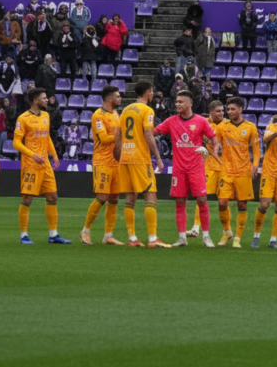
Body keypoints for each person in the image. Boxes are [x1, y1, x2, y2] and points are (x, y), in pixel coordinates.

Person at [155, 90, 219, 248]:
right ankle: (182, 238)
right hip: (179, 169)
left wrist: (212, 151)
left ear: (190, 103)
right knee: (180, 202)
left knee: (202, 200)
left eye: (181, 101)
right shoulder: (171, 121)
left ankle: (206, 237)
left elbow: (214, 140)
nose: (177, 104)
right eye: (176, 101)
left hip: (196, 168)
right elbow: (154, 131)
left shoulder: (201, 121)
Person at [115, 81, 168, 248]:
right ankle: (152, 239)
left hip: (125, 157)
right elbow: (148, 133)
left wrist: (119, 154)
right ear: (148, 92)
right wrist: (158, 157)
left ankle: (132, 238)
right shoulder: (147, 110)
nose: (152, 95)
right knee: (150, 195)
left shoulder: (125, 110)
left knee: (130, 198)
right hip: (139, 158)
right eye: (151, 92)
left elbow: (118, 134)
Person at [15, 87, 71, 245]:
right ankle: (23, 235)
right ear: (35, 100)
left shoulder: (46, 115)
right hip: (30, 164)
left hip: (45, 163)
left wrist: (54, 155)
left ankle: (53, 234)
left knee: (52, 196)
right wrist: (32, 154)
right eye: (44, 98)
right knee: (27, 198)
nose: (47, 100)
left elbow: (46, 138)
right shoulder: (23, 118)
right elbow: (16, 143)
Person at [212, 97, 260, 248]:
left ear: (240, 109)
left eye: (233, 109)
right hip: (226, 170)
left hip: (244, 171)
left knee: (242, 205)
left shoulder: (250, 127)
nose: (229, 112)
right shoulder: (222, 126)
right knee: (222, 202)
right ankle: (227, 232)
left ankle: (237, 238)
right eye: (228, 109)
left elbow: (256, 150)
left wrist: (255, 166)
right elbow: (215, 144)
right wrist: (213, 150)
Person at [79, 86, 124, 246]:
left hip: (116, 162)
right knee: (102, 197)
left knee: (114, 198)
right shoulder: (98, 115)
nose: (120, 99)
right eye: (117, 96)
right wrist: (121, 135)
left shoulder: (116, 114)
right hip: (103, 161)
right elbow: (104, 139)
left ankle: (108, 236)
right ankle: (85, 231)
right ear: (109, 99)